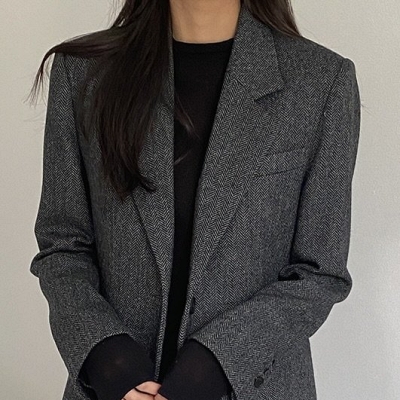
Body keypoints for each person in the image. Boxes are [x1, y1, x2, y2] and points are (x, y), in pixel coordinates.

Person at [28, 0, 361, 399]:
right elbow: (63, 245)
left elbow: (320, 272)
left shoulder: (321, 81)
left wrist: (214, 364)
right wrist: (107, 359)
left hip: (253, 387)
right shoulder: (83, 72)